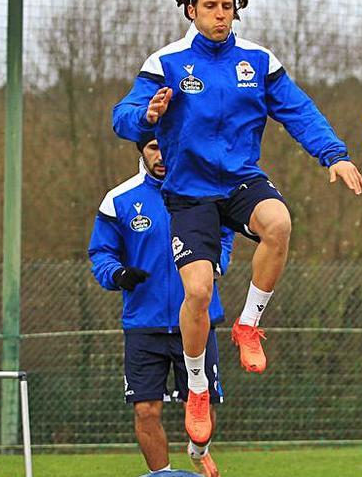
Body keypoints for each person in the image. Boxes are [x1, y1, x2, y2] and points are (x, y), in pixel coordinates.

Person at [112, 0, 362, 445]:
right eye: (210, 6)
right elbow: (122, 115)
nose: (220, 14)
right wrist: (146, 115)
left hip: (240, 180)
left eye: (227, 6)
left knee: (280, 223)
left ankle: (249, 324)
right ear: (191, 10)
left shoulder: (258, 61)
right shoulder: (165, 62)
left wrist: (334, 155)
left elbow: (299, 111)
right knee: (200, 292)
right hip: (189, 192)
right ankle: (196, 387)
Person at [89, 139, 233, 477]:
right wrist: (117, 273)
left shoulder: (207, 191)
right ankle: (163, 474)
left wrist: (216, 262)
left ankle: (198, 453)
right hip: (144, 324)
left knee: (204, 412)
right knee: (146, 410)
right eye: (154, 146)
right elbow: (101, 254)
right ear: (141, 150)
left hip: (196, 322)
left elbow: (225, 236)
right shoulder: (119, 199)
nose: (162, 155)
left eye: (168, 145)